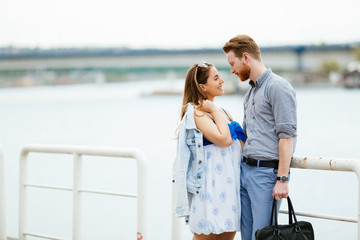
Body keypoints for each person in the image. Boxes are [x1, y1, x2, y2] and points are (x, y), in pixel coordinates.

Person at [223, 35, 297, 240]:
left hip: (266, 175)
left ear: (245, 57)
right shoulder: (250, 93)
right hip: (245, 172)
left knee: (262, 236)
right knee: (247, 236)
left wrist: (282, 178)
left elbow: (287, 137)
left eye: (232, 64)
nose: (232, 70)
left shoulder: (278, 87)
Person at [173, 62, 246, 240]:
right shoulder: (197, 114)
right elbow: (225, 139)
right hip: (209, 188)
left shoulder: (224, 112)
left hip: (229, 187)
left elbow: (240, 147)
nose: (222, 80)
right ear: (202, 86)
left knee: (227, 235)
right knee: (205, 234)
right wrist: (213, 109)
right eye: (216, 78)